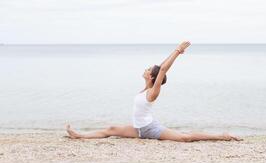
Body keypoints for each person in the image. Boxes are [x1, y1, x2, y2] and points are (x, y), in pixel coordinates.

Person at [66, 41, 242, 142]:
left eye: (148, 69)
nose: (145, 69)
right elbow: (160, 68)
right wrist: (168, 59)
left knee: (184, 138)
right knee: (111, 129)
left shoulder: (152, 92)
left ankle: (222, 136)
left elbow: (163, 70)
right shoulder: (145, 89)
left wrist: (177, 51)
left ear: (151, 77)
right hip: (138, 130)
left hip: (150, 129)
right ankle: (80, 135)